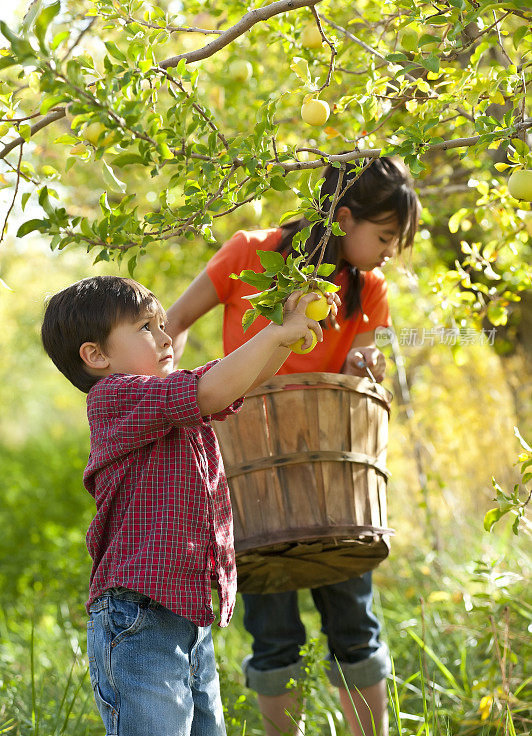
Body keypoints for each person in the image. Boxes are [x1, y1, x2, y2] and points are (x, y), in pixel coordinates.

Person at [165, 156, 421, 736]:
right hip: (251, 473)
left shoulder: (369, 289)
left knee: (354, 621)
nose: (387, 253)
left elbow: (359, 368)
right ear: (345, 216)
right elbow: (175, 320)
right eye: (382, 237)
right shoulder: (248, 255)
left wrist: (364, 364)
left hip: (329, 476)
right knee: (273, 630)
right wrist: (165, 398)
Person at [41, 274, 336, 736]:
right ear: (96, 355)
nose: (164, 336)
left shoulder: (167, 397)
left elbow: (238, 380)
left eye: (162, 325)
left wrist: (286, 331)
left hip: (183, 619)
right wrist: (276, 333)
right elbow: (214, 389)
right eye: (145, 328)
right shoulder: (116, 398)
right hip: (137, 617)